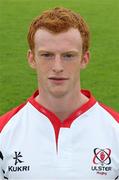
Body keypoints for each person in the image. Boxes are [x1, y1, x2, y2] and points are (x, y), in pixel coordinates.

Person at [0, 7, 119, 180]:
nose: (57, 67)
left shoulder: (115, 131)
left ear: (84, 59)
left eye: (68, 56)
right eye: (47, 55)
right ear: (32, 59)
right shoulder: (4, 132)